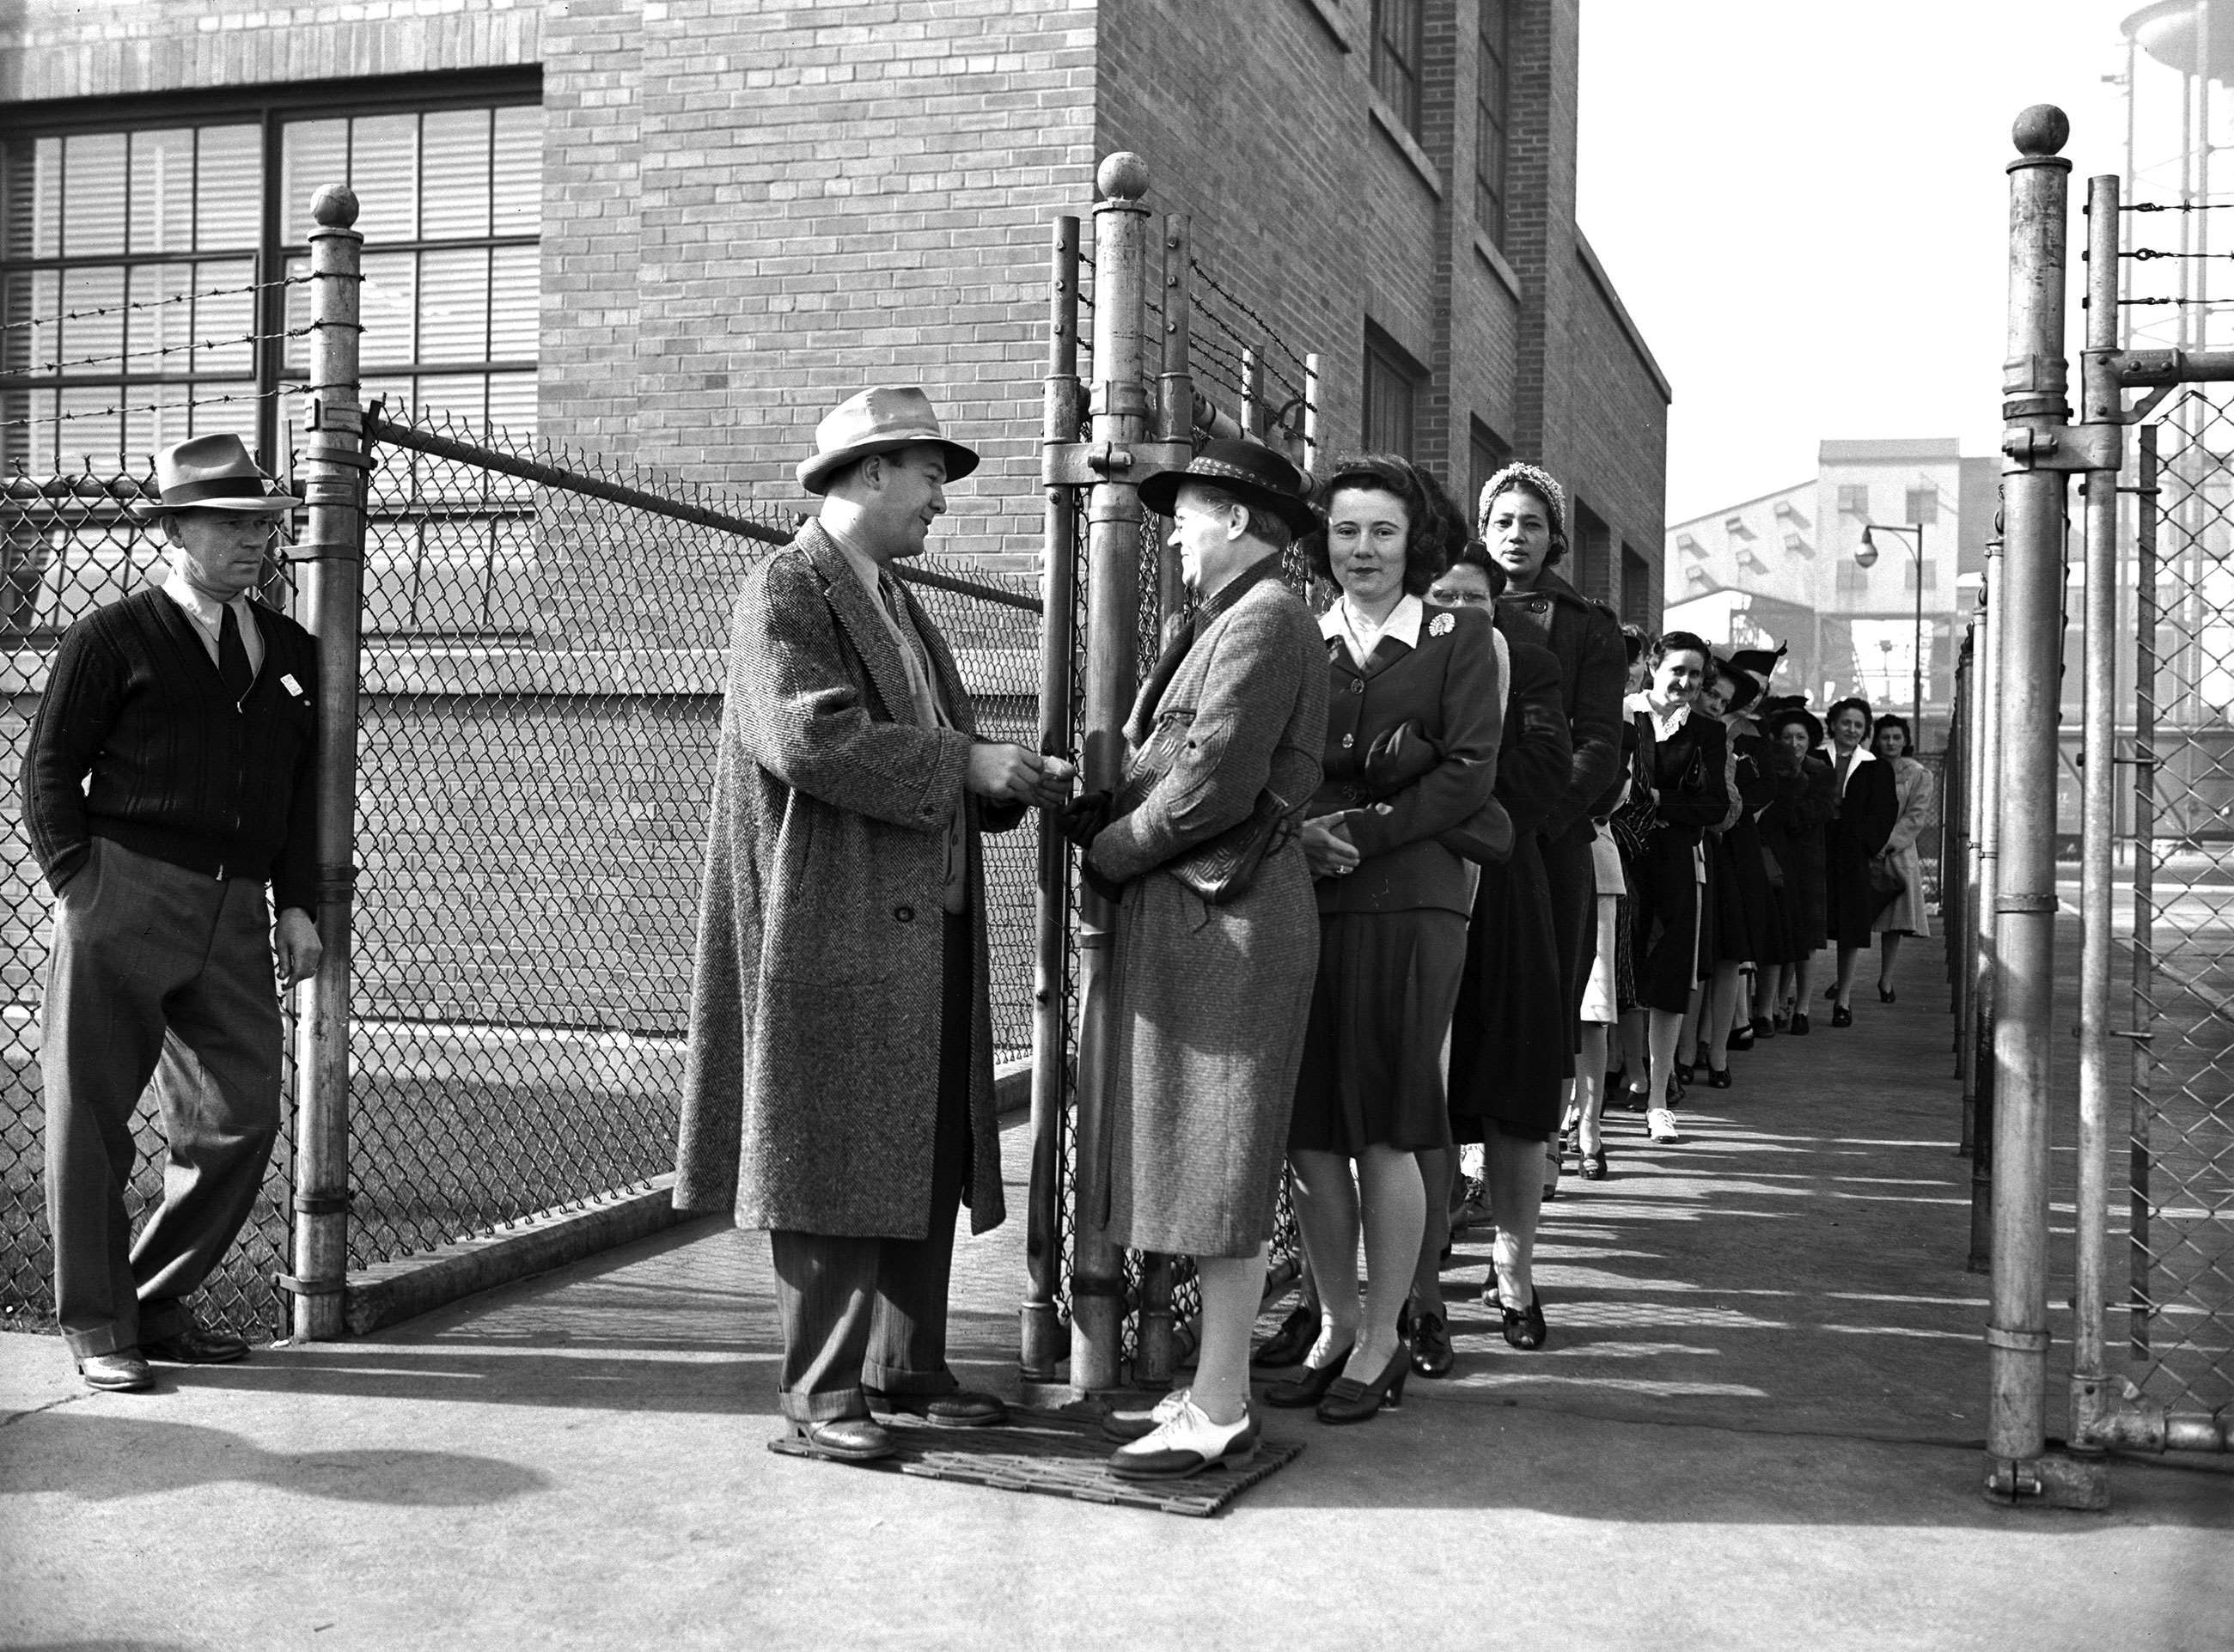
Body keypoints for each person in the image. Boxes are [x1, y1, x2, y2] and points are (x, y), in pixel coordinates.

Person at [674, 387, 1065, 1465]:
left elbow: (929, 739)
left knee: (922, 1143)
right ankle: (821, 1392)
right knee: (831, 1147)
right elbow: (808, 740)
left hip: (915, 926)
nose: (941, 497)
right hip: (832, 924)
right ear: (870, 473)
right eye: (929, 474)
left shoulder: (894, 596)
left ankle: (905, 1366)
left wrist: (998, 779)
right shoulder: (786, 589)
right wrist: (962, 765)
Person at [21, 432, 322, 1393]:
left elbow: (302, 789)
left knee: (240, 1116)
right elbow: (50, 770)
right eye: (230, 525)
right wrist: (82, 884)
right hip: (124, 889)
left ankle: (150, 1296)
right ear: (178, 528)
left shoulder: (290, 650)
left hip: (237, 907)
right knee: (92, 1120)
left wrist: (298, 905)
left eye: (263, 526)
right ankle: (99, 1325)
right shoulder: (113, 636)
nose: (252, 543)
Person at [1068, 439, 1328, 1477]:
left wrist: (1108, 848)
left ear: (1235, 520)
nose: (1172, 527)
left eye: (1188, 511)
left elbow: (1213, 781)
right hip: (1206, 919)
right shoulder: (1234, 618)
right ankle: (1207, 1388)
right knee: (1201, 1164)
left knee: (1219, 1169)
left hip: (1228, 922)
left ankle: (1218, 1406)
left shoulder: (1261, 620)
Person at [1267, 454, 1498, 1423]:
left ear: (1416, 541)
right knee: (1310, 1130)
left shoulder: (1459, 637)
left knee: (1388, 1122)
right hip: (1302, 897)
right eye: (1345, 530)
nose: (1361, 550)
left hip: (1411, 899)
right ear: (1321, 540)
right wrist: (1294, 833)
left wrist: (1352, 829)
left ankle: (1384, 1336)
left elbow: (1467, 773)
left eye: (1382, 532)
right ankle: (1330, 1323)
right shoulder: (1295, 636)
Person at [1425, 543, 1572, 1355]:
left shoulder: (1535, 668)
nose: (1457, 608)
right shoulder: (1401, 661)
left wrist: (1440, 793)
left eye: (1473, 596)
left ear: (1498, 603)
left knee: (1514, 1098)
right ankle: (1424, 1278)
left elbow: (1544, 769)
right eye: (1441, 593)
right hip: (1412, 893)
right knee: (1423, 1090)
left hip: (1508, 893)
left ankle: (1513, 1269)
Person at [1616, 632, 1730, 1143]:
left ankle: (1659, 1098)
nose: (1686, 683)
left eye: (1696, 675)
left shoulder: (1706, 731)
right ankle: (1625, 1079)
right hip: (1620, 858)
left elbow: (1713, 807)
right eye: (1677, 671)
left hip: (1677, 862)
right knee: (1616, 973)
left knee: (1667, 976)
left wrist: (1656, 798)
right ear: (1653, 667)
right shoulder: (1623, 716)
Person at [1757, 698, 1834, 1034]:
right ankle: (1776, 1002)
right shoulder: (1772, 768)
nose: (1794, 744)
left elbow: (1810, 813)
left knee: (1807, 938)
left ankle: (1802, 1006)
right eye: (1788, 737)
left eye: (1800, 737)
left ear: (1810, 739)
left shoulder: (1819, 772)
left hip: (1807, 860)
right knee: (1781, 932)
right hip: (1778, 857)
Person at [1820, 695, 1897, 1027]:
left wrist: (1863, 845)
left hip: (1852, 856)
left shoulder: (1875, 766)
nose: (1851, 730)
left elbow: (1884, 814)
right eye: (1846, 722)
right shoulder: (1815, 757)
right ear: (1834, 724)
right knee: (1808, 923)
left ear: (1865, 731)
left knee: (1850, 928)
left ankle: (1844, 1000)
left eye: (1858, 725)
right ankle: (1792, 1003)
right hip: (1815, 849)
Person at [1869, 713, 1935, 999]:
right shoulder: (1868, 767)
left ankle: (1886, 978)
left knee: (1893, 923)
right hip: (1866, 849)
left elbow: (1916, 815)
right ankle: (1841, 976)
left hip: (1898, 852)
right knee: (1855, 916)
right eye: (1885, 737)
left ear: (1906, 740)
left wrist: (1888, 843)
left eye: (1897, 737)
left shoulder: (1918, 773)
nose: (1891, 742)